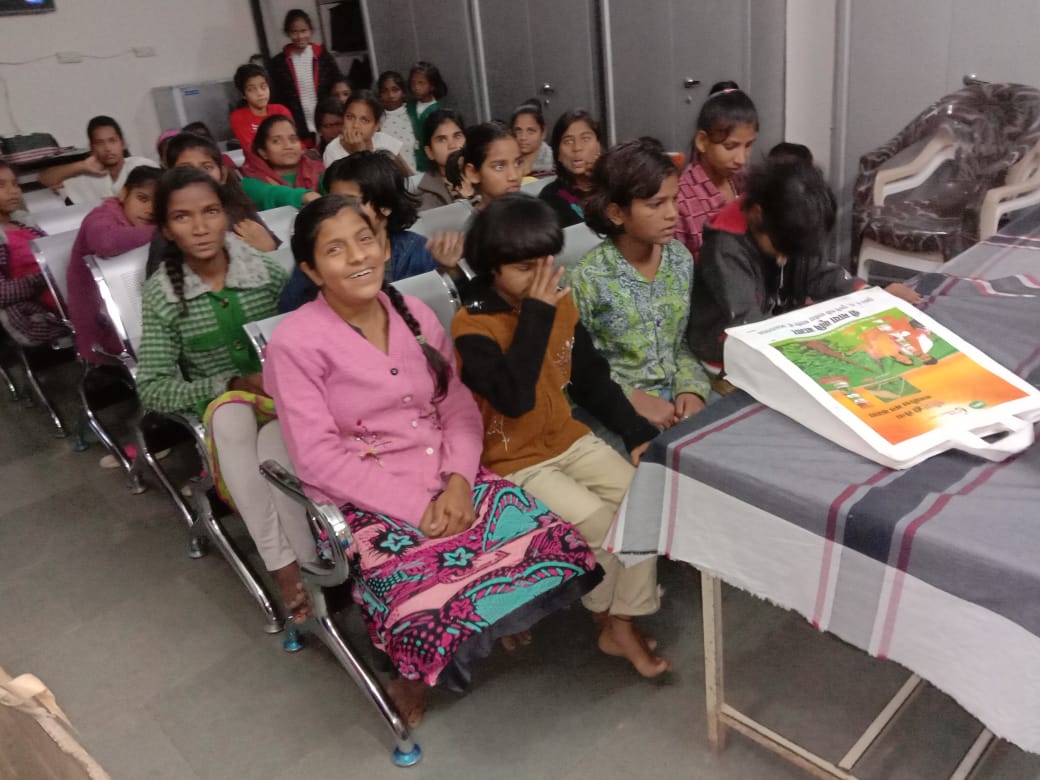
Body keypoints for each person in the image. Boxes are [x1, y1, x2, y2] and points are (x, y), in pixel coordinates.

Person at [263, 194, 600, 726]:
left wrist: (460, 481)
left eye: (365, 239)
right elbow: (318, 459)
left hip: (449, 474)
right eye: (335, 249)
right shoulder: (295, 343)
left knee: (558, 544)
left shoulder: (413, 313)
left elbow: (458, 407)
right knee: (426, 612)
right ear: (311, 269)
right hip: (367, 502)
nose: (358, 256)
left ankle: (494, 621)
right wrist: (417, 509)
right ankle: (411, 676)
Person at [452, 193, 670, 679]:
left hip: (567, 438)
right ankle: (608, 620)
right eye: (524, 268)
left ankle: (620, 620)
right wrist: (536, 313)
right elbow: (514, 398)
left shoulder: (559, 301)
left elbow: (591, 379)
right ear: (491, 268)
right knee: (598, 522)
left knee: (645, 502)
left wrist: (635, 432)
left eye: (545, 264)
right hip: (514, 459)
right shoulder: (473, 324)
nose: (541, 278)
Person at [135, 166, 315, 618]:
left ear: (226, 215)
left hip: (282, 404)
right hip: (220, 414)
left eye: (210, 212)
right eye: (183, 217)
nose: (200, 227)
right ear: (166, 229)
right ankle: (284, 567)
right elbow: (152, 388)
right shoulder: (162, 295)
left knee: (271, 447)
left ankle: (310, 561)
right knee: (232, 418)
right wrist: (228, 384)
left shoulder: (265, 271)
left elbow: (304, 337)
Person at [687, 157, 923, 379]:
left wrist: (872, 296)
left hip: (776, 323)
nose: (784, 260)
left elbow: (820, 273)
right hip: (725, 349)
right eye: (782, 250)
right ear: (757, 215)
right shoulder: (725, 248)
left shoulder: (790, 228)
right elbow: (747, 324)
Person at [571, 138, 709, 432]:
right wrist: (632, 399)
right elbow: (573, 367)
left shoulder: (679, 259)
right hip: (612, 409)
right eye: (656, 204)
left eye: (674, 199)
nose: (672, 213)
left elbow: (683, 341)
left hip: (676, 401)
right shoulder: (588, 278)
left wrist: (691, 388)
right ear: (616, 213)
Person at [279, 151, 463, 311]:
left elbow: (449, 307)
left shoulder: (418, 251)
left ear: (385, 206)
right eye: (333, 200)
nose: (338, 212)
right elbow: (291, 312)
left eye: (350, 202)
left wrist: (450, 270)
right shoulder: (318, 258)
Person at [145, 133, 279, 277]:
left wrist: (269, 249)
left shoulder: (240, 210)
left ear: (223, 174)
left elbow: (276, 260)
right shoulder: (168, 231)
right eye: (186, 169)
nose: (198, 175)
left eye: (207, 167)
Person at [67, 164, 162, 362]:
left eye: (159, 203)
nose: (150, 210)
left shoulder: (146, 223)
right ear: (123, 194)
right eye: (142, 198)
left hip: (133, 312)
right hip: (103, 327)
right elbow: (106, 243)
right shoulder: (101, 216)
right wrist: (165, 230)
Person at [675, 81, 758, 262]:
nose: (741, 159)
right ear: (702, 141)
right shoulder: (682, 202)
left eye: (748, 145)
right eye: (730, 146)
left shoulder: (746, 181)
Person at [0, 161, 67, 346]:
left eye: (15, 184)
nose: (13, 191)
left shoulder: (25, 224)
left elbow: (53, 253)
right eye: (1, 185)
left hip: (64, 291)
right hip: (42, 309)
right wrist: (45, 275)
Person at [37, 116, 158, 207]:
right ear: (92, 148)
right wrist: (82, 165)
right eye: (100, 143)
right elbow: (45, 179)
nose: (107, 148)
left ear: (122, 143)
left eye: (112, 141)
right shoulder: (87, 175)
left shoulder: (141, 165)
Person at [268, 8, 342, 143]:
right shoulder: (278, 63)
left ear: (310, 31)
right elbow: (276, 97)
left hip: (326, 124)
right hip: (296, 126)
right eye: (294, 32)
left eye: (304, 31)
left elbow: (337, 85)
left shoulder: (324, 57)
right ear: (288, 33)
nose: (300, 36)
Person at [240, 116, 324, 210]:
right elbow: (271, 194)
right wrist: (304, 196)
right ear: (263, 152)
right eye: (276, 141)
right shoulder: (251, 182)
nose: (288, 146)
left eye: (293, 139)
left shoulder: (318, 171)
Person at [538, 109, 603, 227]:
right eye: (568, 141)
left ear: (599, 145)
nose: (577, 148)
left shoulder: (617, 185)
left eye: (585, 139)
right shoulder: (549, 198)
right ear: (558, 153)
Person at [323, 92, 412, 173]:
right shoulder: (333, 150)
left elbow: (411, 177)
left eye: (364, 120)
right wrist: (358, 154)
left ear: (376, 126)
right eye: (350, 117)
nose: (355, 125)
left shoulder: (384, 140)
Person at [446, 121, 523, 209]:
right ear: (473, 173)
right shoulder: (473, 218)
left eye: (518, 163)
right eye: (499, 167)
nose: (514, 176)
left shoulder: (532, 212)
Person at [229, 64, 293, 154]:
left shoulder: (280, 110)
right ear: (243, 94)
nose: (260, 93)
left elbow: (292, 140)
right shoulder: (238, 117)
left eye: (263, 87)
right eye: (252, 89)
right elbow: (252, 150)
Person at [416, 108, 470, 211]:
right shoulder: (427, 198)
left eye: (457, 136)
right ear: (429, 152)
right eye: (442, 139)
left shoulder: (483, 175)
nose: (452, 145)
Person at [406, 61, 447, 173]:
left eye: (421, 83)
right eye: (413, 83)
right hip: (410, 160)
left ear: (432, 86)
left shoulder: (437, 110)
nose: (416, 87)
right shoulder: (409, 106)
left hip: (429, 163)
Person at [376, 71, 418, 171]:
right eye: (385, 91)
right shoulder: (377, 119)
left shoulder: (414, 113)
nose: (390, 95)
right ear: (380, 95)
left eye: (395, 90)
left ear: (403, 92)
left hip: (419, 174)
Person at [511, 101, 554, 178]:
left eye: (530, 131)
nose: (523, 137)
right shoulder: (506, 164)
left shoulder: (556, 166)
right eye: (518, 130)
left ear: (543, 133)